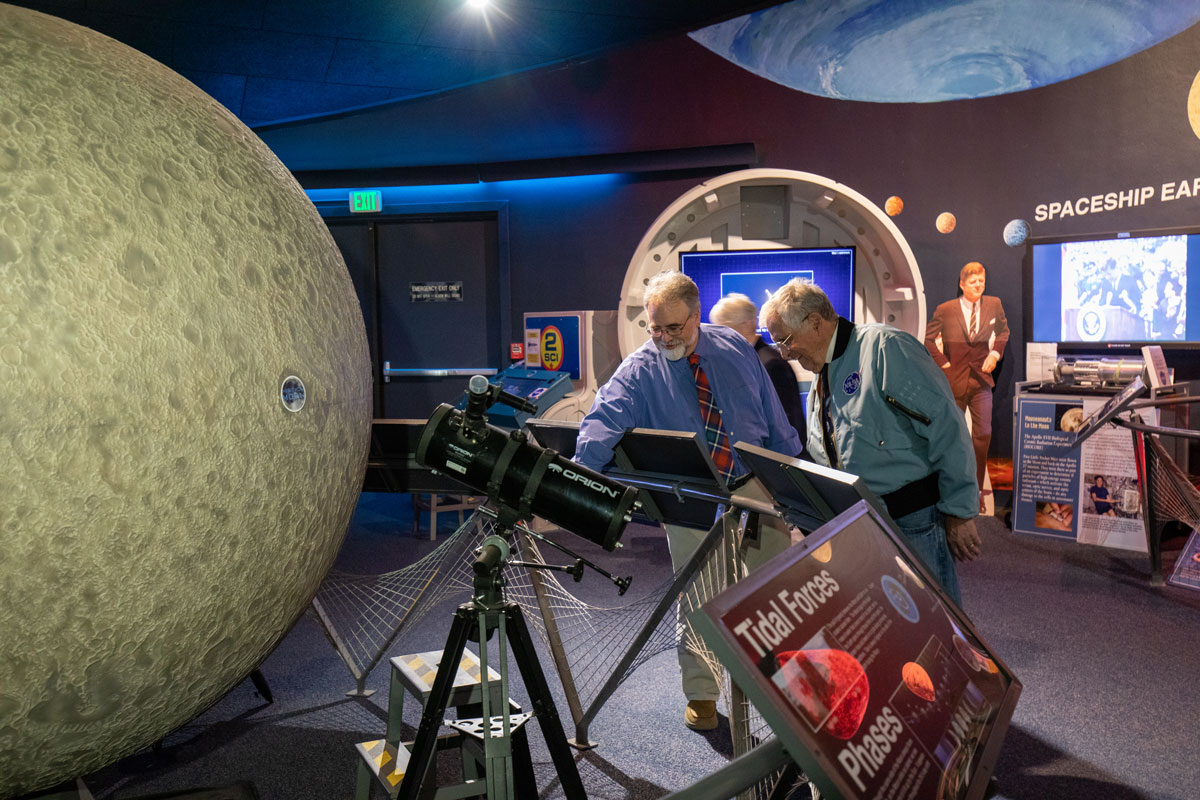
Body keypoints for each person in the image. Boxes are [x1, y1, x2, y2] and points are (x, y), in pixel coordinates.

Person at [574, 271, 802, 731]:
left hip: (753, 485)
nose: (662, 338)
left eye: (673, 328)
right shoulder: (639, 369)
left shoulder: (734, 348)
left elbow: (773, 417)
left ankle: (789, 689)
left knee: (779, 591)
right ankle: (701, 693)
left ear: (696, 316)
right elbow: (600, 423)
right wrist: (578, 483)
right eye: (654, 328)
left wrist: (791, 480)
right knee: (698, 597)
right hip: (693, 496)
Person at [760, 278, 982, 607]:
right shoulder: (823, 372)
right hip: (863, 528)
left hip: (914, 524)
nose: (785, 353)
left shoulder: (885, 348)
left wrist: (960, 512)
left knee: (939, 628)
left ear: (816, 323)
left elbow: (946, 429)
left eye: (786, 341)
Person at [924, 262, 1010, 514]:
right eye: (974, 282)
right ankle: (950, 488)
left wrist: (995, 353)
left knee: (982, 434)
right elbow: (929, 340)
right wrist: (945, 365)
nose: (979, 286)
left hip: (982, 380)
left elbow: (1003, 332)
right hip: (954, 382)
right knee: (951, 436)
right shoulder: (945, 309)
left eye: (982, 281)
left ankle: (975, 491)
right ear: (962, 284)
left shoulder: (994, 304)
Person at [709, 292, 806, 442]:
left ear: (747, 325)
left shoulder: (771, 365)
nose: (717, 339)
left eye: (723, 330)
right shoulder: (744, 361)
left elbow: (786, 427)